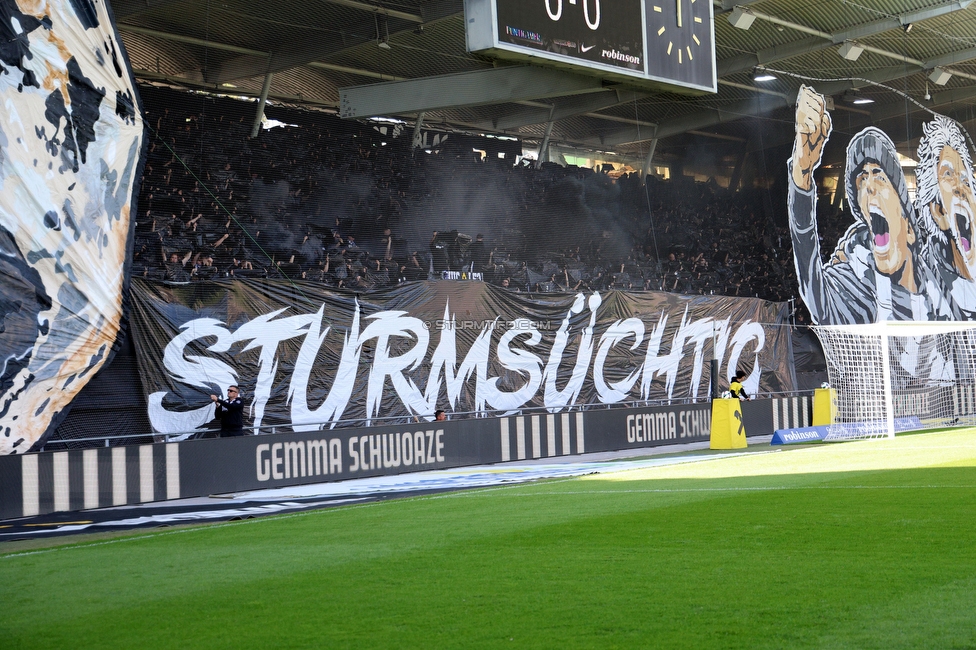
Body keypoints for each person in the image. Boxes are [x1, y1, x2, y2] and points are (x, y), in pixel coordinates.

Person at [788, 85, 939, 324]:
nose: (868, 185)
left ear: (910, 231)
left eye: (878, 173)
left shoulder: (940, 291)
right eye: (861, 178)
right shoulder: (860, 281)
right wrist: (801, 174)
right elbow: (819, 300)